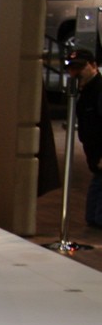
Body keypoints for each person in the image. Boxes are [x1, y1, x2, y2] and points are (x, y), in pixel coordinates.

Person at [65, 48, 102, 229]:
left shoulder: (97, 90)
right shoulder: (86, 92)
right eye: (72, 68)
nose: (75, 72)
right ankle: (94, 219)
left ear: (93, 66)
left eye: (80, 67)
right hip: (94, 150)